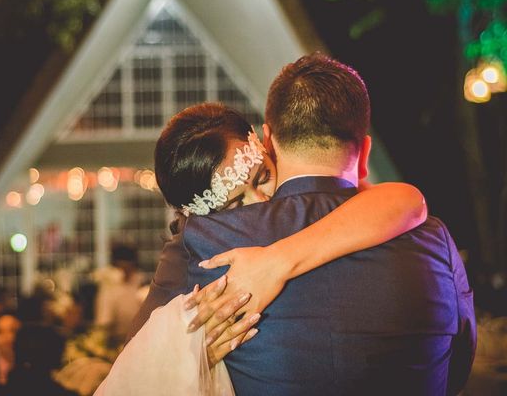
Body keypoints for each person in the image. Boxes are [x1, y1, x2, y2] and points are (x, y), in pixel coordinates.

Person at [142, 53, 474, 395]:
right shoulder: (430, 235)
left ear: (266, 140)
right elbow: (457, 367)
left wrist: (280, 260)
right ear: (365, 149)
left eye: (262, 178)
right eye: (234, 204)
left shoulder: (202, 242)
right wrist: (192, 354)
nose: (258, 202)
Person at [94, 244, 144, 346]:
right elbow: (104, 321)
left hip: (140, 339)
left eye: (127, 266)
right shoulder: (109, 285)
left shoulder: (142, 283)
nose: (124, 270)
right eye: (121, 266)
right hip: (114, 341)